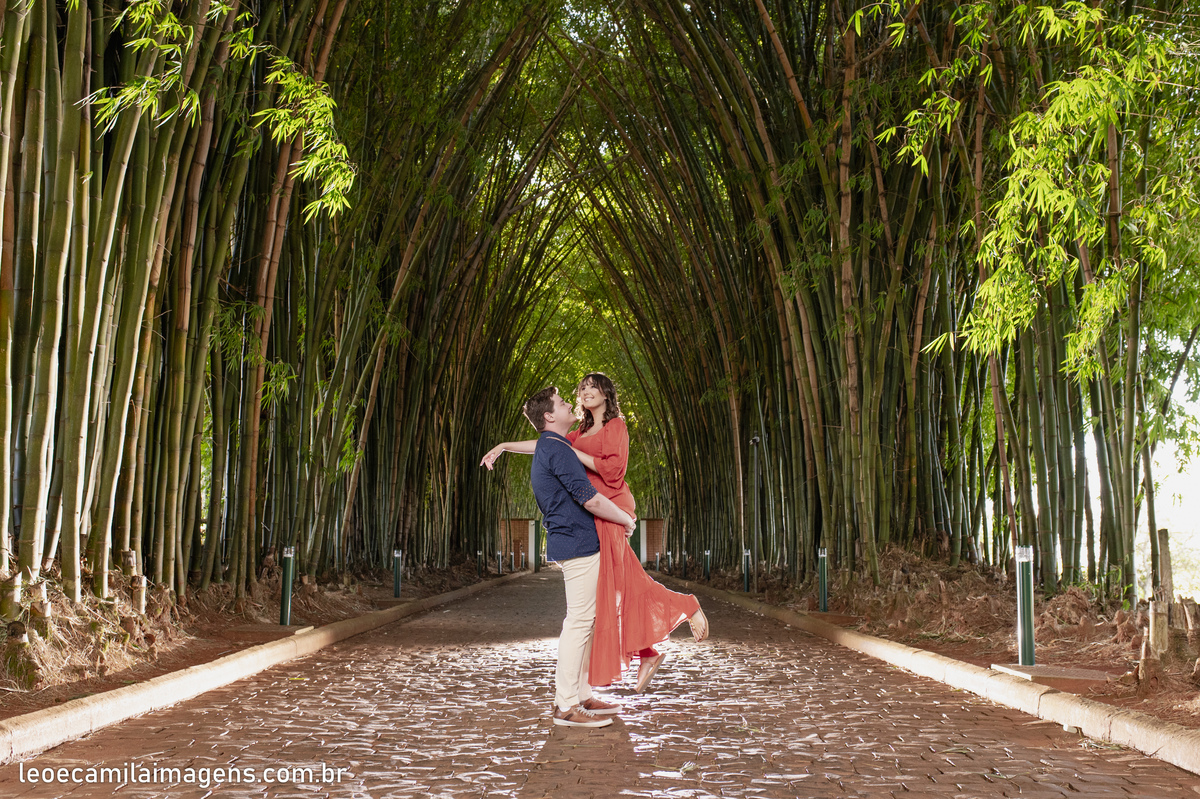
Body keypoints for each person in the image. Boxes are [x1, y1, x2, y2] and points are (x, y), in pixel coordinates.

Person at [484, 373, 709, 694]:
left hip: (610, 505)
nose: (586, 391)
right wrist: (505, 446)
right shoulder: (578, 432)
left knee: (625, 579)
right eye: (582, 387)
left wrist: (573, 453)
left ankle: (685, 607)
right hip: (595, 511)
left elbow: (613, 471)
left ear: (606, 394)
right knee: (616, 584)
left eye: (593, 386)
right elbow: (547, 444)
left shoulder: (616, 426)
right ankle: (647, 651)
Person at [520, 386, 637, 728]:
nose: (569, 403)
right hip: (577, 542)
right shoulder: (557, 449)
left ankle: (582, 694)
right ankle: (566, 705)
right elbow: (590, 498)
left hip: (576, 541)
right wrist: (625, 519)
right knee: (579, 622)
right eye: (561, 403)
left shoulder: (552, 445)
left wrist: (502, 446)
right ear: (549, 416)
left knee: (587, 622)